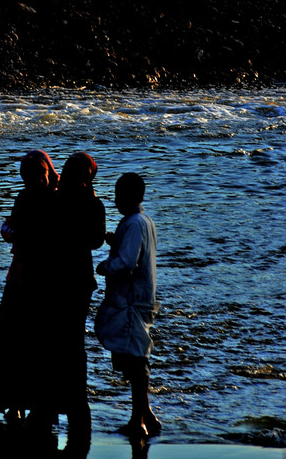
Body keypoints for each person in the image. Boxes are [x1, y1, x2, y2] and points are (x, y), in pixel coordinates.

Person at [0, 149, 59, 425]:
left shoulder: (56, 199)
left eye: (40, 175)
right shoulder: (30, 197)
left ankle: (25, 402)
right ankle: (17, 401)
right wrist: (10, 231)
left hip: (40, 279)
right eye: (31, 177)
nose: (36, 181)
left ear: (47, 172)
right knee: (15, 341)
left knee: (30, 343)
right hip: (23, 277)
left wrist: (14, 233)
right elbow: (16, 228)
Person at [95, 172, 161, 438]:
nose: (116, 200)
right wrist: (116, 241)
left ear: (133, 197)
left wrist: (104, 266)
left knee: (136, 359)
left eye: (119, 195)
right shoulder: (143, 221)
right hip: (140, 298)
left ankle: (139, 420)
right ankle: (146, 415)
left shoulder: (134, 224)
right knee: (136, 356)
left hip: (132, 300)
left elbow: (126, 263)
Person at [48, 152, 106, 433]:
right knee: (75, 339)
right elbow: (95, 242)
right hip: (80, 278)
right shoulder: (94, 203)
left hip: (52, 277)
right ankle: (76, 393)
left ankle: (50, 391)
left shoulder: (54, 199)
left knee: (51, 337)